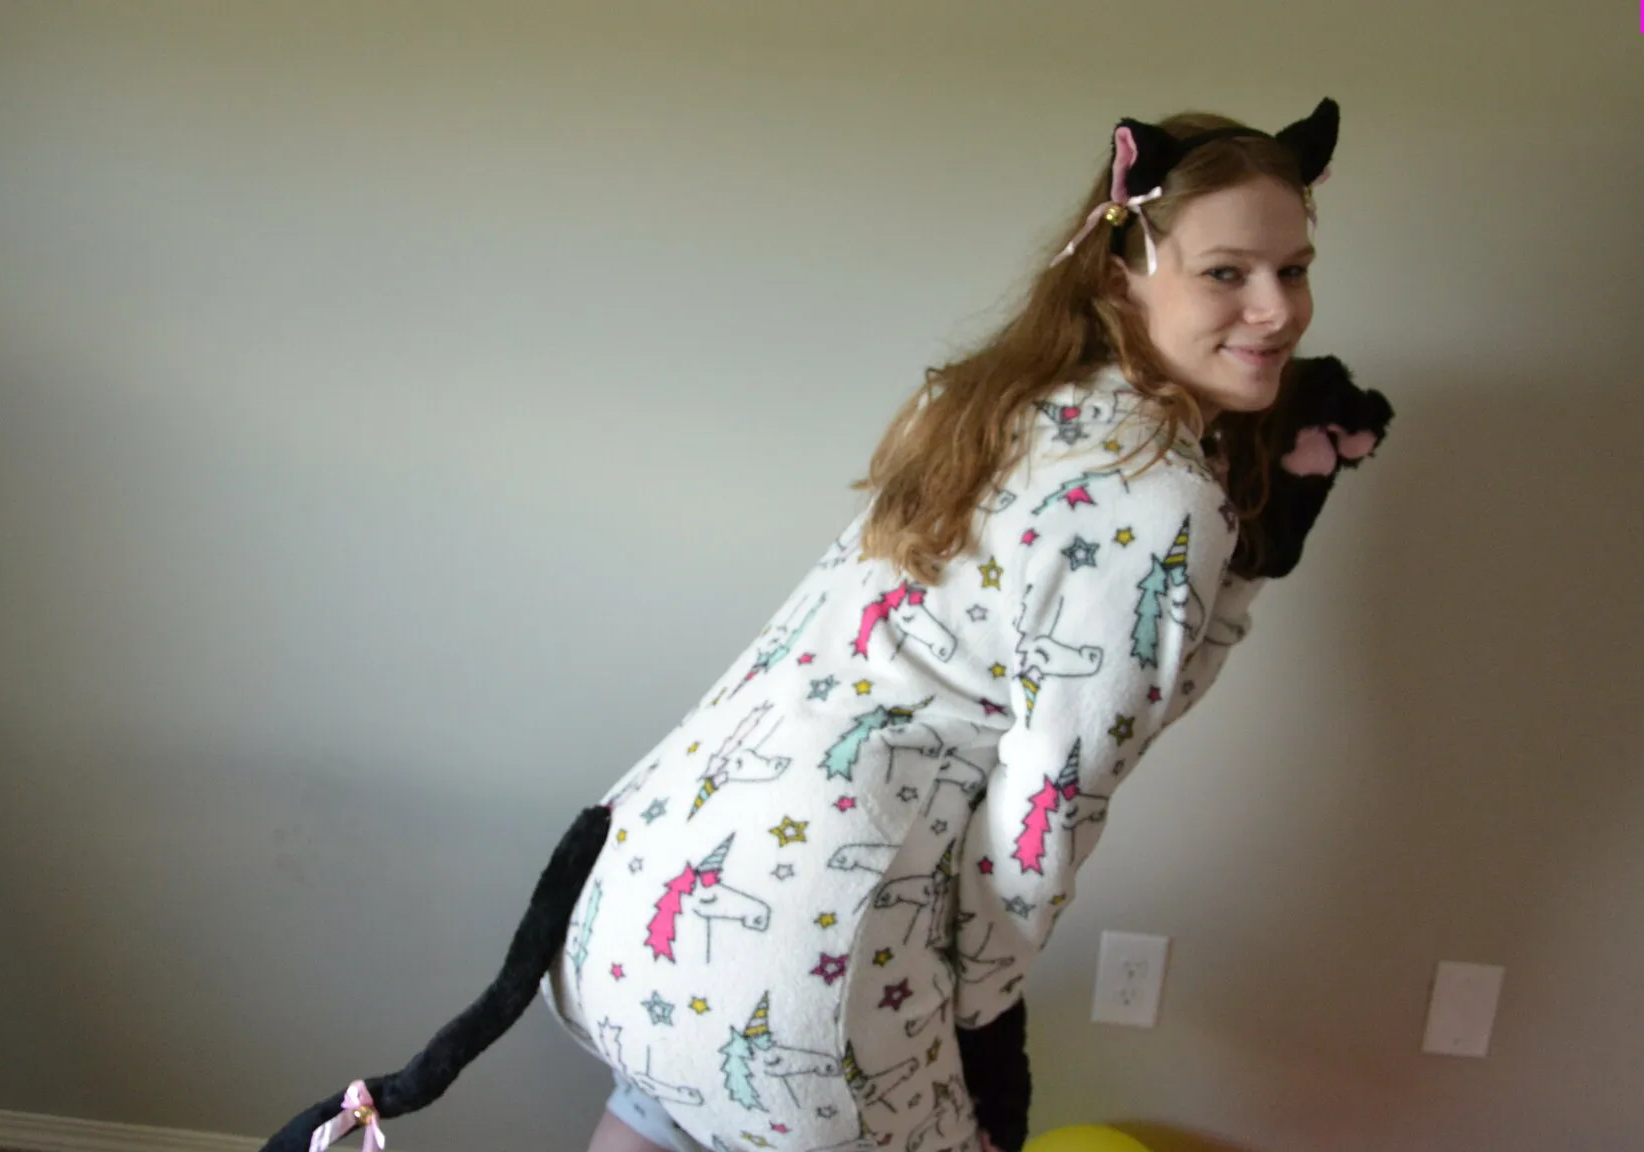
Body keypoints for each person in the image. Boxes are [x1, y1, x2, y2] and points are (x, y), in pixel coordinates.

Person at [534, 97, 1387, 1152]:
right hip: (801, 960)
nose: (1276, 310)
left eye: (1293, 270)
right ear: (1120, 270)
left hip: (637, 890)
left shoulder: (987, 404)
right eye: (1226, 272)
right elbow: (1054, 800)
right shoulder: (1161, 499)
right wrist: (980, 1014)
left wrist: (1247, 558)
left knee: (660, 1116)